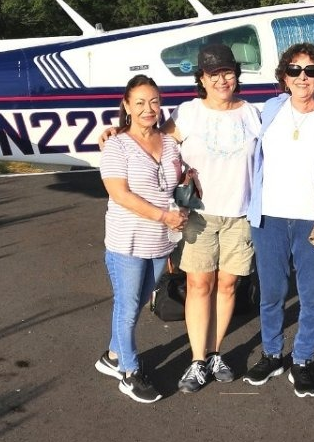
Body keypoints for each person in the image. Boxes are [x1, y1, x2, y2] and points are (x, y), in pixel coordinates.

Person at [243, 42, 314, 398]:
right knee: (272, 292)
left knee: (312, 293)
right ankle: (272, 353)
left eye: (310, 71)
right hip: (270, 216)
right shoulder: (270, 109)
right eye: (294, 70)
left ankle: (303, 359)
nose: (302, 77)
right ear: (284, 77)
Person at [170, 43, 261, 393]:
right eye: (214, 75)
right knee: (198, 285)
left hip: (240, 214)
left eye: (228, 73)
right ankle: (196, 360)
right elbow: (154, 145)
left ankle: (214, 353)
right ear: (202, 80)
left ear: (236, 75)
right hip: (201, 216)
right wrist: (116, 133)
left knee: (227, 286)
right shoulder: (187, 113)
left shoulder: (251, 113)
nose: (222, 80)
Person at [96, 75, 188, 404]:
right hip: (127, 241)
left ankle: (111, 357)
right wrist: (164, 216)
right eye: (139, 103)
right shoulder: (117, 145)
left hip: (160, 241)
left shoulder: (169, 142)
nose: (148, 109)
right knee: (128, 306)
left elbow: (176, 182)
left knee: (133, 303)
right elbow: (119, 194)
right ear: (126, 106)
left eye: (153, 101)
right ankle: (130, 372)